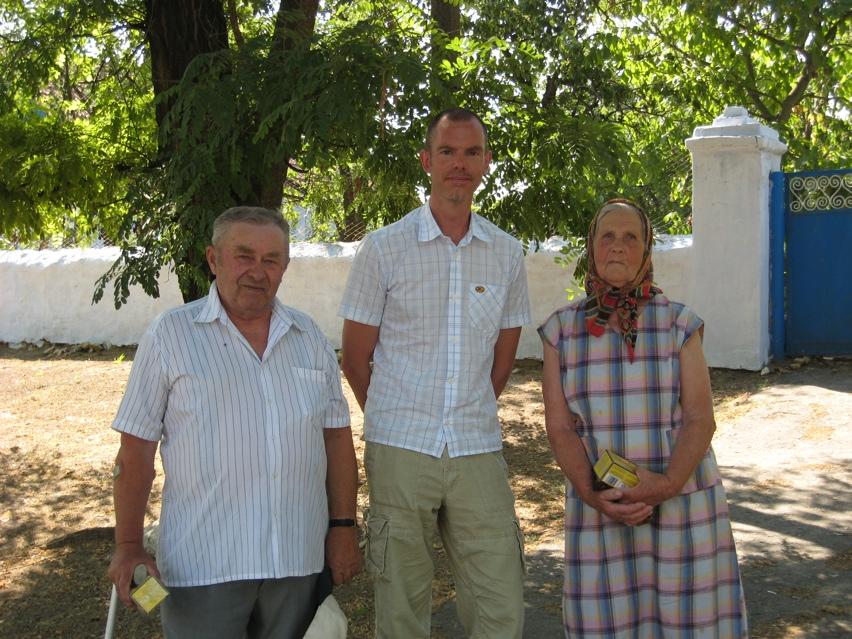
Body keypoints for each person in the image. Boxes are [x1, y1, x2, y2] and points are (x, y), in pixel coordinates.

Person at [107, 206, 361, 639]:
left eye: (271, 260)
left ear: (284, 267)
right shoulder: (171, 336)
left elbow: (337, 441)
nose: (257, 272)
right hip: (204, 565)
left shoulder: (309, 337)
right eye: (243, 256)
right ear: (213, 259)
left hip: (295, 561)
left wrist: (343, 527)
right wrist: (128, 546)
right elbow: (135, 453)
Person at [339, 108, 530, 638]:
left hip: (476, 448)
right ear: (426, 161)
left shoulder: (507, 254)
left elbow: (502, 360)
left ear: (487, 163)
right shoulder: (382, 248)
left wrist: (467, 407)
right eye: (447, 151)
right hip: (400, 449)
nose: (459, 164)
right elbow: (355, 358)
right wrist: (395, 416)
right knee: (401, 607)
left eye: (472, 152)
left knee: (499, 600)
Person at [539, 198, 748, 637]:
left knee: (689, 621)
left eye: (630, 236)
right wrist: (592, 493)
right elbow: (559, 426)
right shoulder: (561, 331)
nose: (618, 246)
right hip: (601, 510)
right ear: (590, 248)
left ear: (647, 249)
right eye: (607, 236)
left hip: (682, 507)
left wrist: (666, 485)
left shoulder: (679, 325)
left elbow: (699, 418)